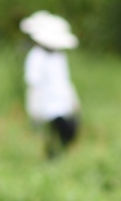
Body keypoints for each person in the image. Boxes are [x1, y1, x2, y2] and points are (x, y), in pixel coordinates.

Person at [20, 12, 81, 156]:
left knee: (70, 131)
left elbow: (65, 81)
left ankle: (58, 157)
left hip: (62, 103)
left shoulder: (60, 56)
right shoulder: (36, 57)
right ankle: (51, 159)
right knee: (54, 135)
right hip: (47, 106)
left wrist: (74, 100)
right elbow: (33, 85)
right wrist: (33, 108)